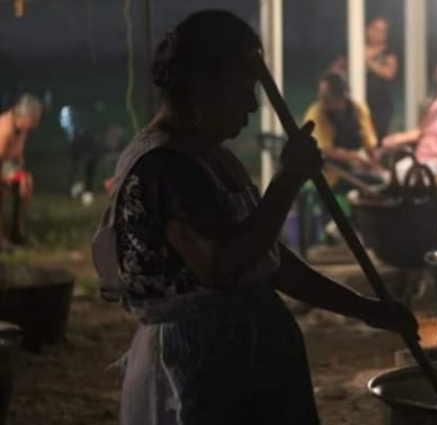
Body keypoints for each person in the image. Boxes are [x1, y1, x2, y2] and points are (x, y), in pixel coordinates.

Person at [91, 10, 417, 425]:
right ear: (201, 84)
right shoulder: (163, 167)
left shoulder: (212, 156)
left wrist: (367, 309)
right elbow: (223, 265)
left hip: (243, 363)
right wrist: (286, 182)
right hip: (197, 371)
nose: (251, 104)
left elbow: (266, 257)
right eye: (243, 87)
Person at [303, 71, 380, 192]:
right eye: (320, 95)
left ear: (342, 96)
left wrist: (374, 164)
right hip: (326, 173)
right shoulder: (316, 114)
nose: (322, 100)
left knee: (380, 182)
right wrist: (355, 157)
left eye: (327, 97)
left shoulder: (358, 109)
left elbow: (369, 142)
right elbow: (326, 151)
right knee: (369, 187)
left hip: (350, 169)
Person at [330, 16, 398, 142]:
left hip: (379, 105)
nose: (376, 33)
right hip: (353, 102)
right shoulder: (353, 49)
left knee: (376, 138)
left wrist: (367, 62)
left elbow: (388, 73)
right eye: (374, 28)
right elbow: (335, 68)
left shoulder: (388, 52)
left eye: (381, 31)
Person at [0, 94, 42, 248]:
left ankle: (17, 231)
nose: (35, 124)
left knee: (26, 183)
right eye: (33, 120)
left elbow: (17, 156)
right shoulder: (4, 130)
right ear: (23, 116)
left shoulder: (22, 128)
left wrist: (19, 173)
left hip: (6, 166)